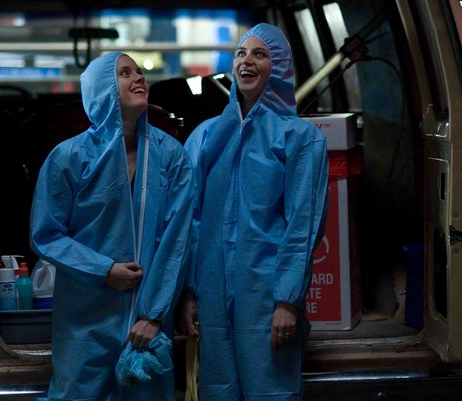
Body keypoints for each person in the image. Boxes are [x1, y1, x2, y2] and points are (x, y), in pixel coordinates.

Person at [30, 51, 195, 401]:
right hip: (85, 320)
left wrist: (154, 315)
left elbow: (177, 240)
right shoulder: (69, 157)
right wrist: (104, 270)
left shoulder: (171, 156)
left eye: (139, 72)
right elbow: (47, 235)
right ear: (103, 87)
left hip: (147, 325)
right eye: (125, 73)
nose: (139, 78)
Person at [181, 23, 329, 401]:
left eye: (259, 54)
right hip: (212, 297)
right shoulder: (206, 136)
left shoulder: (301, 138)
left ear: (278, 68)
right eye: (241, 53)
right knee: (217, 392)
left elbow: (302, 226)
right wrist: (190, 292)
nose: (246, 61)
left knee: (271, 392)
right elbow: (191, 221)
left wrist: (287, 301)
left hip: (266, 298)